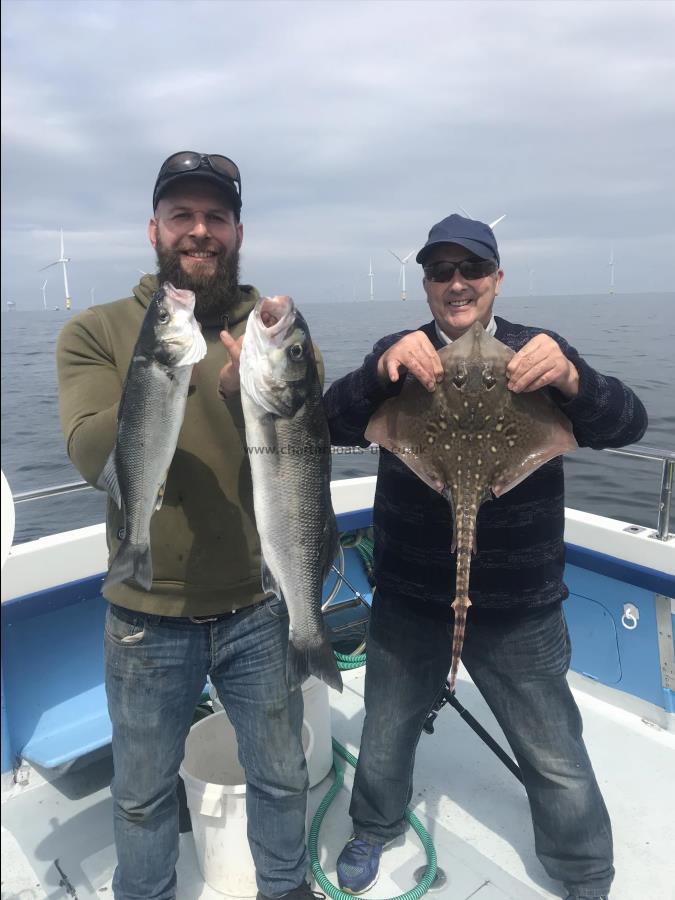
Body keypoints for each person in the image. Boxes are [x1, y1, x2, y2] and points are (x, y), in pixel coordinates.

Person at [324, 214, 648, 900]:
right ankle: (371, 827)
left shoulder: (539, 350)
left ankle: (583, 870)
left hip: (518, 603)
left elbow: (627, 424)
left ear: (496, 279)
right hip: (410, 596)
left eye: (470, 269)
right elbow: (326, 422)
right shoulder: (400, 349)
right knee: (384, 731)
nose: (456, 283)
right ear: (425, 285)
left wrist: (572, 380)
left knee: (552, 752)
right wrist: (377, 375)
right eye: (440, 272)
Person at [57, 152, 322, 900]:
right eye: (182, 216)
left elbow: (302, 449)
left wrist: (255, 385)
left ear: (238, 232)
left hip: (258, 607)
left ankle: (287, 888)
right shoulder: (98, 332)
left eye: (215, 217)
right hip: (147, 617)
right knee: (141, 795)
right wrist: (165, 367)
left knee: (279, 775)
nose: (198, 231)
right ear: (154, 228)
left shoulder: (274, 333)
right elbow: (86, 452)